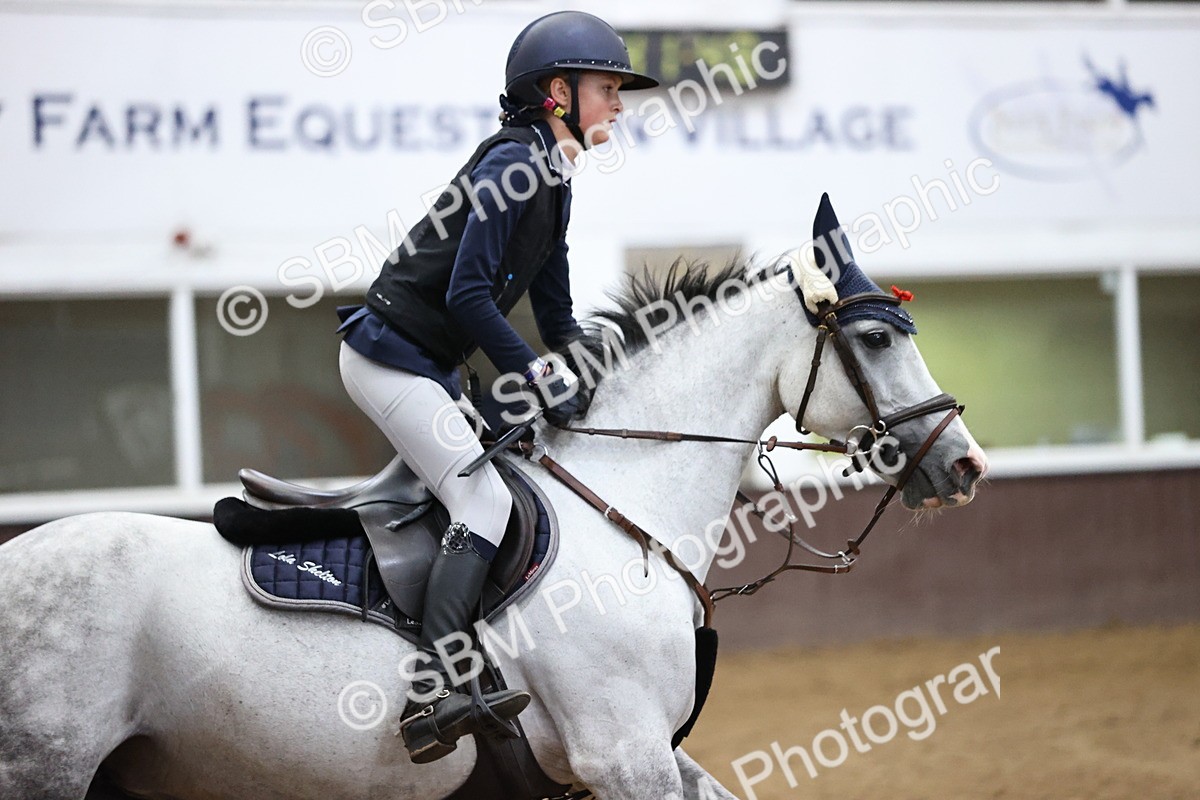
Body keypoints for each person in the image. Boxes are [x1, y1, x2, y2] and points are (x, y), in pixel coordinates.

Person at [335, 11, 658, 763]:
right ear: (556, 92)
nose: (618, 103)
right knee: (480, 498)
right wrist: (542, 373)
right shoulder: (511, 164)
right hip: (387, 356)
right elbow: (468, 299)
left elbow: (555, 312)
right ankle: (430, 691)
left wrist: (591, 361)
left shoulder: (555, 176)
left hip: (429, 363)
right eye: (607, 88)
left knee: (505, 478)